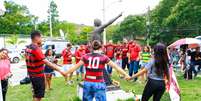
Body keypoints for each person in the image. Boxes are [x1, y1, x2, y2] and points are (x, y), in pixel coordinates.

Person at [64, 40, 130, 101]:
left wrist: (65, 73)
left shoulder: (85, 56)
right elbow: (116, 67)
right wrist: (126, 74)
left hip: (88, 82)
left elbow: (75, 67)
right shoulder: (103, 57)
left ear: (91, 48)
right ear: (101, 48)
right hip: (99, 83)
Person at [25, 31, 65, 101]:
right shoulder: (36, 49)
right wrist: (60, 70)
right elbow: (46, 62)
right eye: (41, 37)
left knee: (35, 94)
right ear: (37, 38)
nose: (42, 39)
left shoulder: (28, 47)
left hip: (32, 75)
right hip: (37, 76)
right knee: (38, 97)